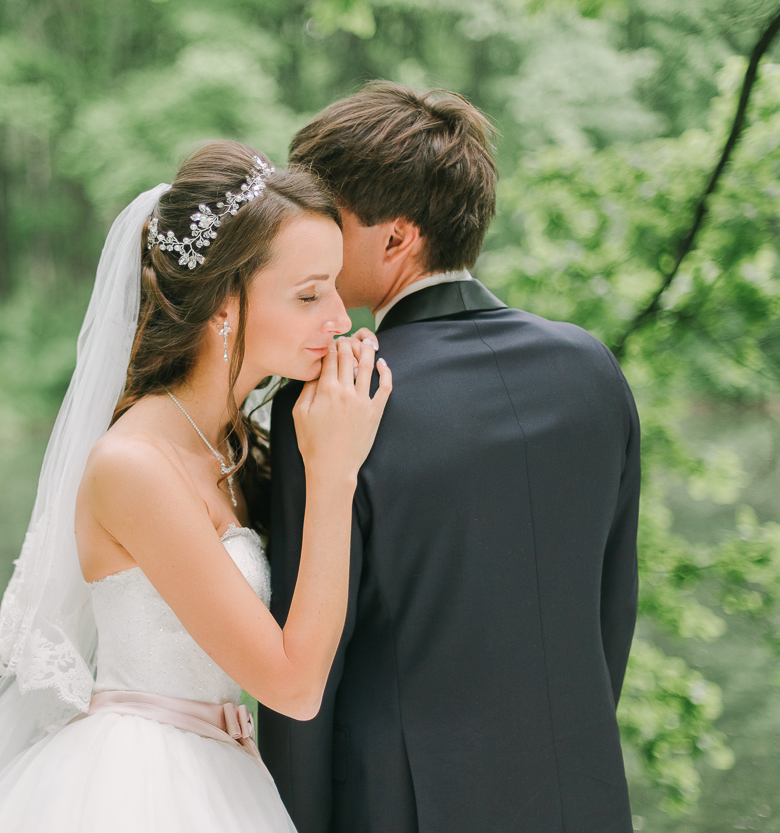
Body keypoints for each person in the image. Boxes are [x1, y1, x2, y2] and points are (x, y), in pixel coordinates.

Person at [0, 140, 391, 833]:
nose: (340, 320)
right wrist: (334, 475)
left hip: (225, 771)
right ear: (224, 304)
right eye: (308, 294)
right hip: (140, 786)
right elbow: (292, 685)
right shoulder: (134, 465)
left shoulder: (231, 443)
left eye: (336, 288)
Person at [259, 81, 642, 833]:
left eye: (327, 223)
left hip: (397, 808)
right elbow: (610, 617)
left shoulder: (339, 394)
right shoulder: (593, 368)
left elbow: (308, 672)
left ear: (396, 238)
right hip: (582, 796)